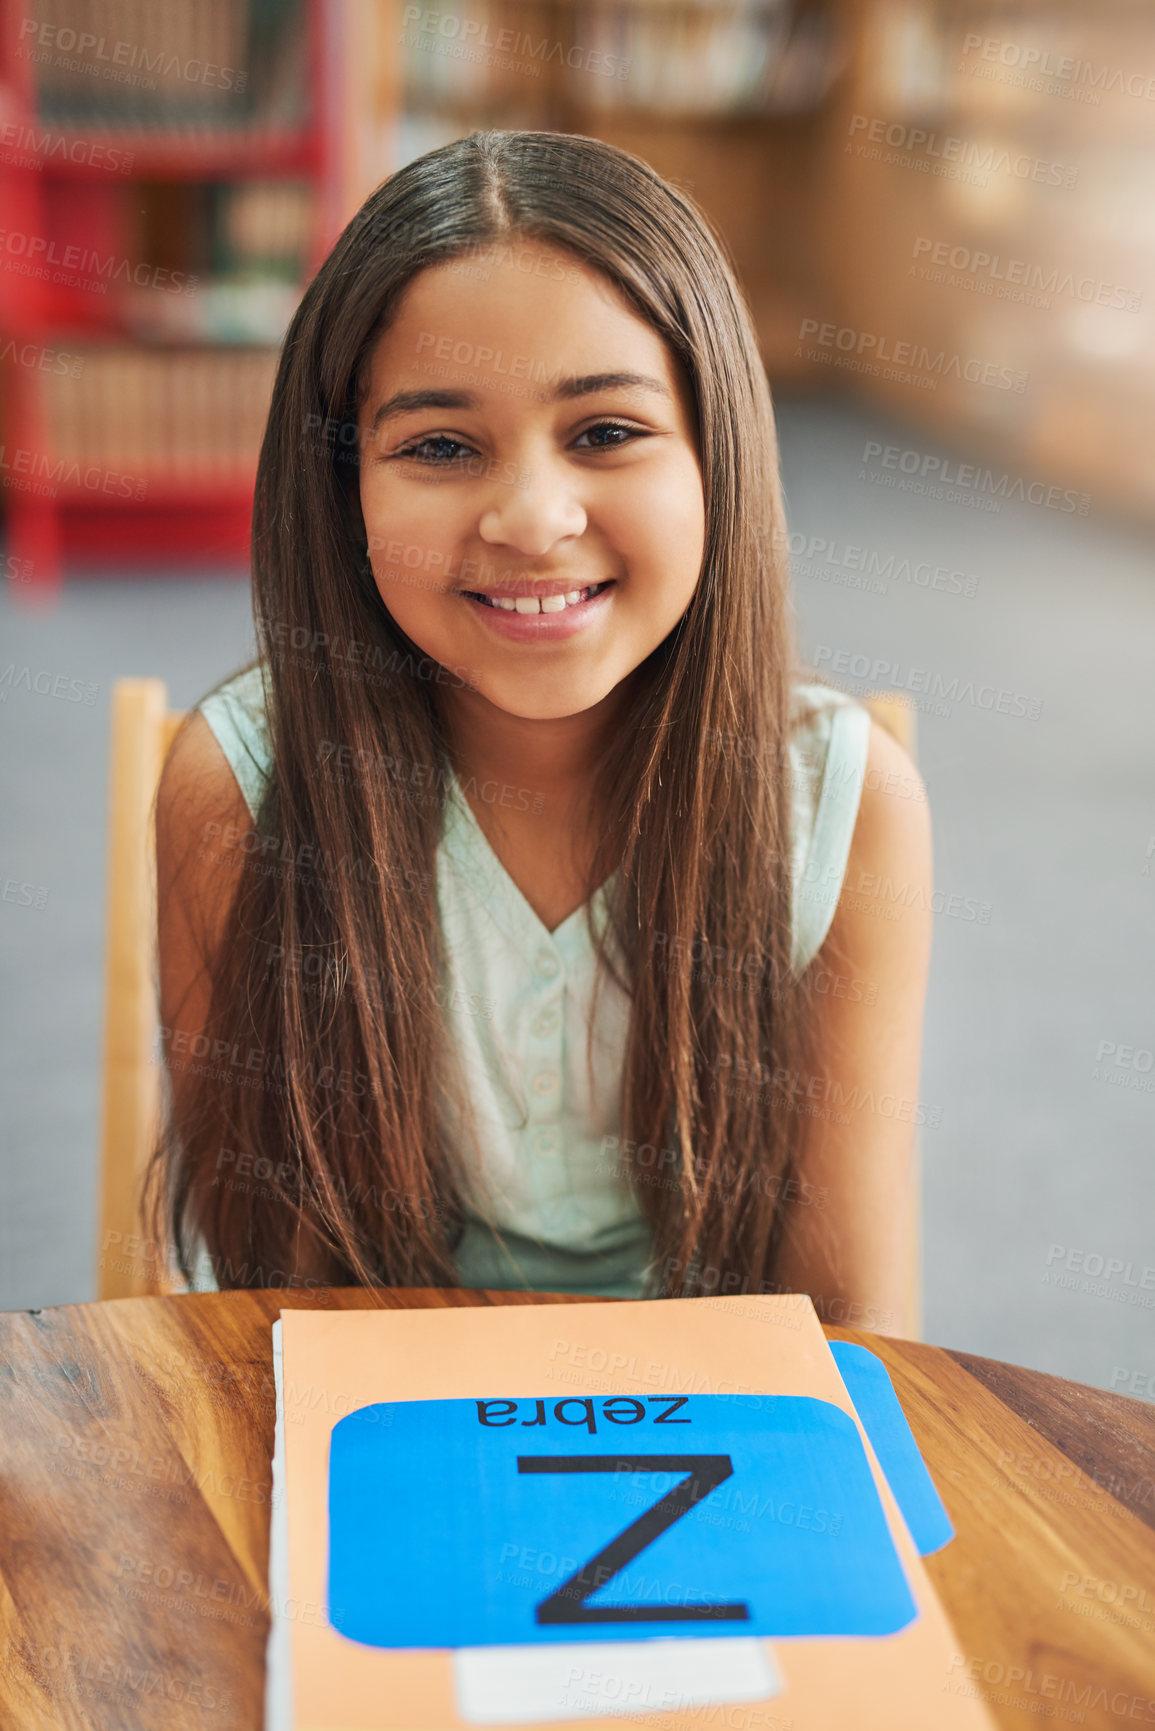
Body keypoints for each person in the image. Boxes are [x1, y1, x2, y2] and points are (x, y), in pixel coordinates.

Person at [147, 128, 932, 1333]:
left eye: (605, 432)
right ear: (337, 486)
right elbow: (276, 1307)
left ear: (721, 457)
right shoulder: (240, 792)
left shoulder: (844, 805)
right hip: (372, 1407)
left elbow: (843, 1315)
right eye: (440, 446)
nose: (532, 519)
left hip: (709, 1423)